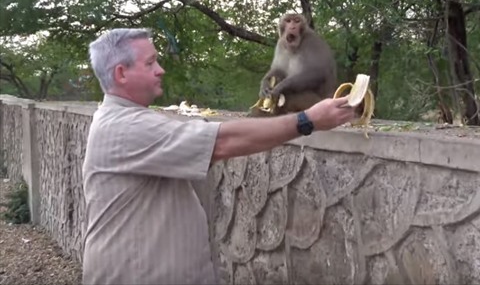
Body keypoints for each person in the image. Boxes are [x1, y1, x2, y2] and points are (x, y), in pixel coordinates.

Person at [81, 28, 356, 285]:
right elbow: (223, 141)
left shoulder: (129, 121)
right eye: (150, 63)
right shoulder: (125, 128)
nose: (160, 70)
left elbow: (199, 142)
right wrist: (308, 120)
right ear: (121, 73)